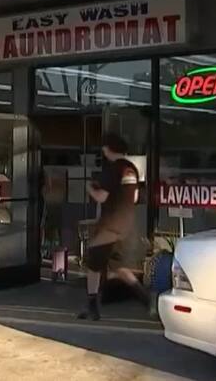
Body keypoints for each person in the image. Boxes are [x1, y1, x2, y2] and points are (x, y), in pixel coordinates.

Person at [77, 132, 149, 321]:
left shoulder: (113, 169)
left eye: (104, 148)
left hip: (110, 224)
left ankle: (92, 306)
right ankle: (147, 300)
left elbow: (102, 197)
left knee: (93, 262)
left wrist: (89, 188)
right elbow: (133, 197)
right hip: (127, 223)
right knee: (120, 267)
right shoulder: (131, 168)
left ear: (108, 149)